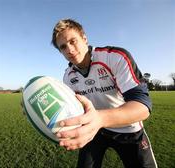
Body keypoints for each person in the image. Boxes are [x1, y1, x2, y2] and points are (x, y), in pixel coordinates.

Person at [51, 18, 157, 168]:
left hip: (128, 129)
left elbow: (142, 107)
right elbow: (71, 108)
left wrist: (100, 118)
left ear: (84, 38)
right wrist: (37, 106)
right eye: (63, 47)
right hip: (94, 131)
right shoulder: (68, 76)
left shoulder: (114, 57)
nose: (69, 49)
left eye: (73, 41)